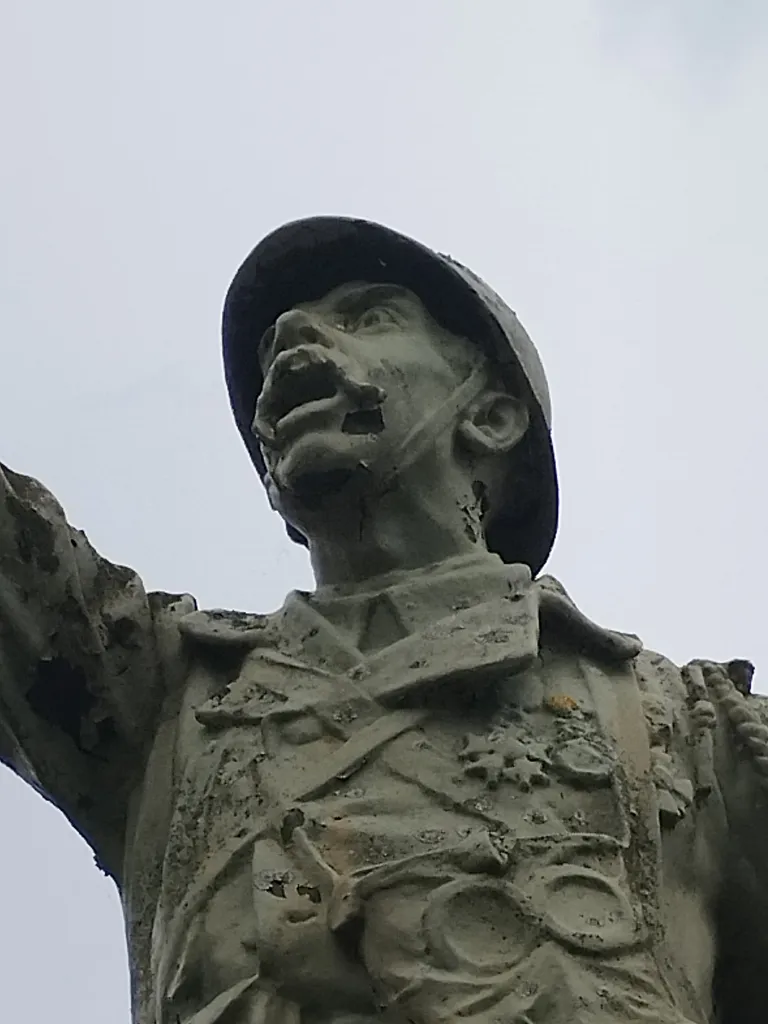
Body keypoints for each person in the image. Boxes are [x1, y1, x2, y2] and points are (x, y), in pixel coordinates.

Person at [1, 217, 766, 1024]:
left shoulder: (688, 730)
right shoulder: (161, 699)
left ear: (492, 417)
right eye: (270, 349)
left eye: (369, 316)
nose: (294, 335)